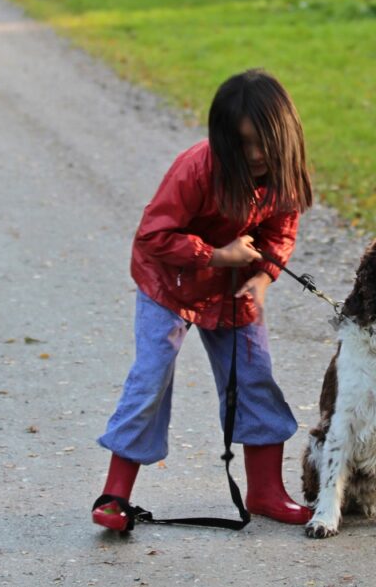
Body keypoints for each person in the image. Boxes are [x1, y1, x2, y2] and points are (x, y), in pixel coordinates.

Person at [92, 69, 314, 531]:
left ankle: (266, 491)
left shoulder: (283, 173)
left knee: (255, 378)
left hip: (232, 288)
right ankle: (114, 496)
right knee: (151, 377)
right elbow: (153, 234)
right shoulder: (197, 168)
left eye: (263, 144)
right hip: (168, 285)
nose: (254, 155)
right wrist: (214, 254)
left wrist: (264, 278)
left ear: (284, 136)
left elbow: (280, 231)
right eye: (242, 144)